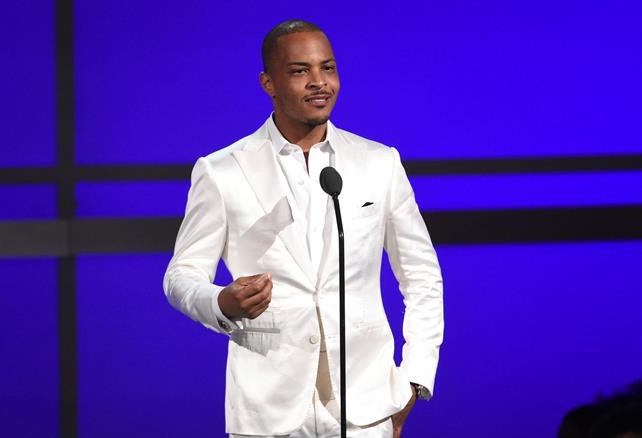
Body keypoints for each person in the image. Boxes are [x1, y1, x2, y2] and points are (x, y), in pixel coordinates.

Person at [163, 19, 444, 437]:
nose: (319, 82)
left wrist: (416, 378)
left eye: (327, 68)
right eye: (300, 71)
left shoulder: (378, 163)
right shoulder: (222, 171)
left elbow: (421, 275)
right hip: (267, 412)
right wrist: (221, 302)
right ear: (268, 83)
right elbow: (180, 276)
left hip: (366, 409)